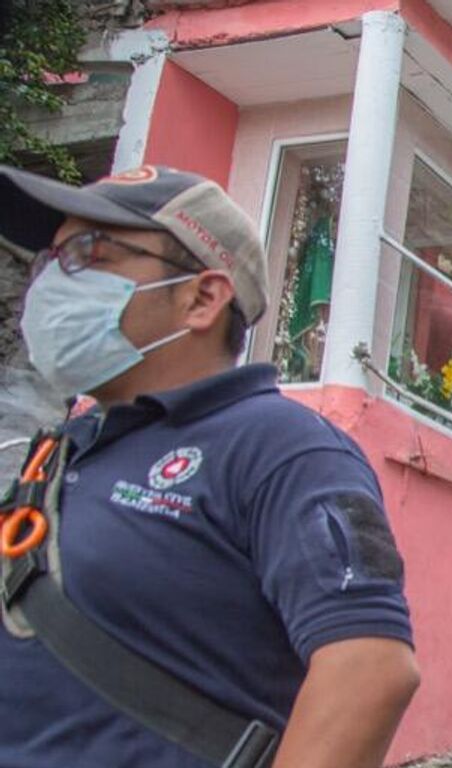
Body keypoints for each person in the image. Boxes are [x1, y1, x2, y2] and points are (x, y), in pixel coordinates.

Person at [0, 164, 419, 767]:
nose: (51, 284)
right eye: (51, 258)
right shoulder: (64, 443)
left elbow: (369, 668)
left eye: (89, 252)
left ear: (201, 297)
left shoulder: (282, 448)